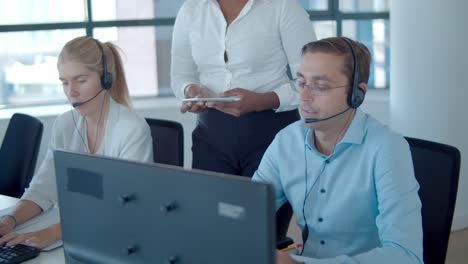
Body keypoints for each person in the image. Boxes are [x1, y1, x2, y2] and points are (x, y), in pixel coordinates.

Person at [252, 37, 423, 263]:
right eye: (301, 83)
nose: (304, 97)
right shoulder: (286, 141)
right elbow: (246, 210)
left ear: (356, 94)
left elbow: (406, 256)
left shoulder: (386, 148)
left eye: (320, 86)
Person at [0, 36, 153, 249]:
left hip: (121, 239)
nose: (71, 92)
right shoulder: (65, 125)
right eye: (64, 82)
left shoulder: (131, 130)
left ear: (105, 79)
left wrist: (53, 233)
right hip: (74, 234)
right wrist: (10, 220)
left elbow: (123, 207)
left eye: (80, 80)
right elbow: (43, 188)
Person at [171, 0, 316, 178]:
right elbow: (181, 75)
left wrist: (262, 101)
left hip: (272, 132)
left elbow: (311, 81)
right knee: (209, 203)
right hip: (211, 135)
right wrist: (190, 90)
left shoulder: (283, 7)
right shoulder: (191, 9)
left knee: (269, 205)